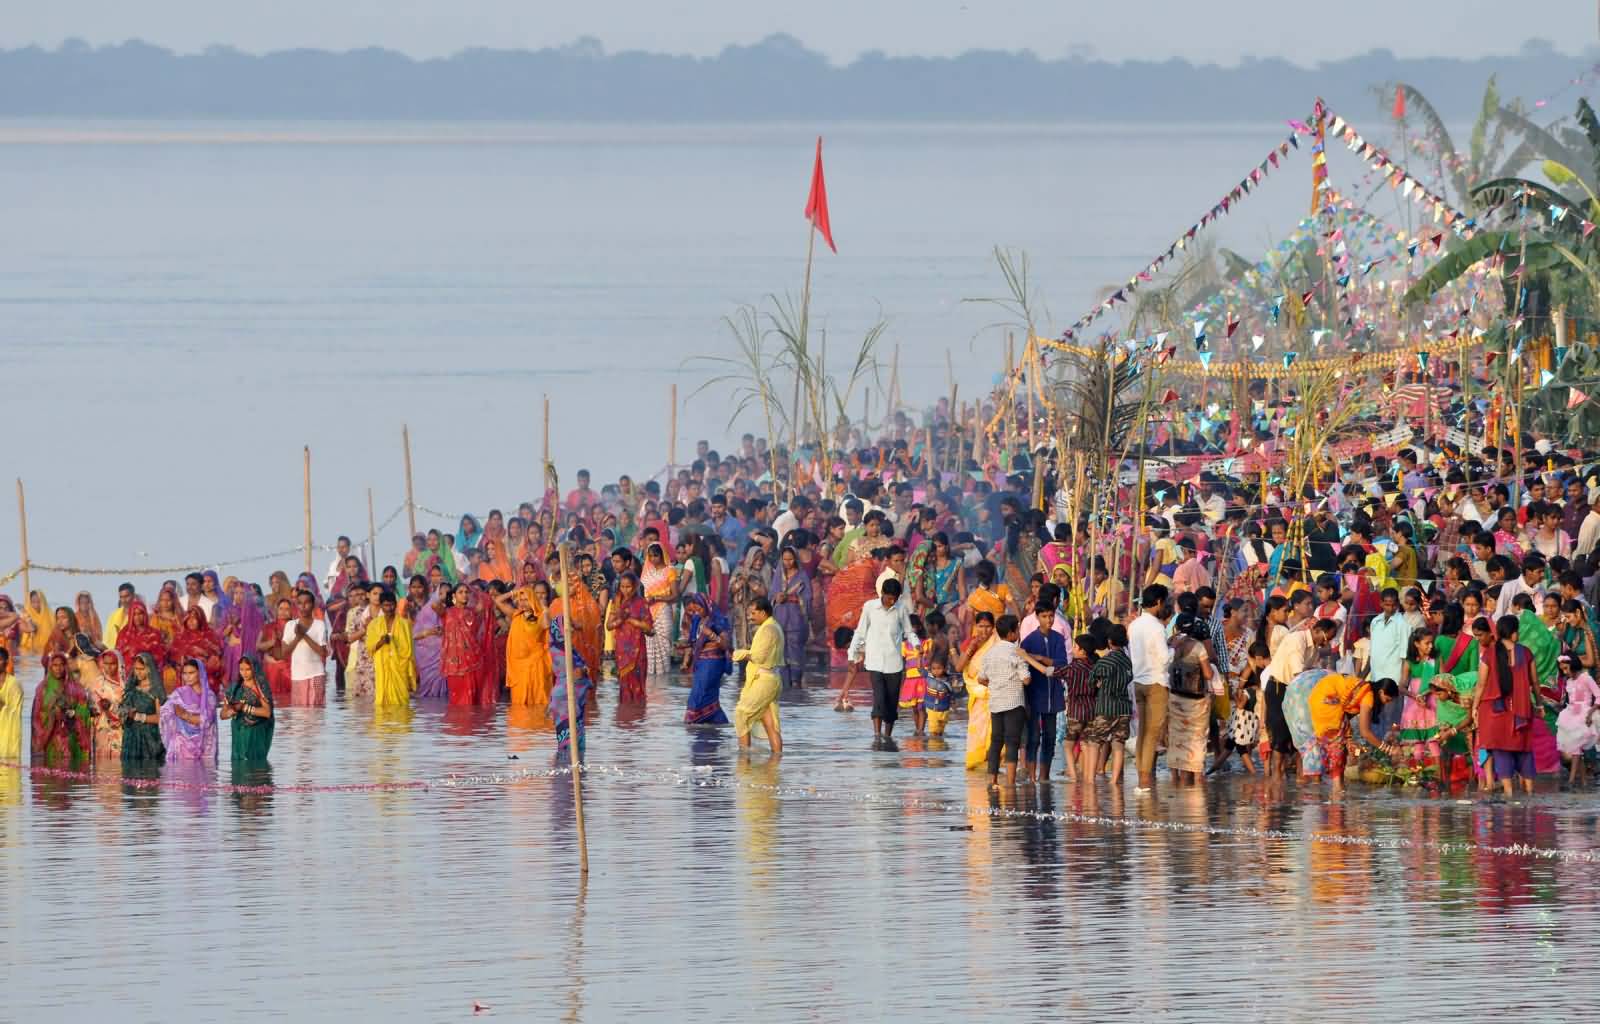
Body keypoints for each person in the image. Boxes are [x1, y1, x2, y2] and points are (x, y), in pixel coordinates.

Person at [978, 614, 1058, 789]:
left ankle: (992, 781)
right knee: (1012, 741)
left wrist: (997, 683)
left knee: (996, 741)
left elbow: (981, 679)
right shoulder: (1016, 652)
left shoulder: (989, 652)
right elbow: (1026, 679)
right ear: (1013, 633)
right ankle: (1010, 782)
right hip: (1014, 702)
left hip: (996, 702)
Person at [847, 577, 921, 748]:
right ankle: (877, 735)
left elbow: (909, 632)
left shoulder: (901, 608)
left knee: (892, 701)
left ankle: (888, 737)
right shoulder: (870, 607)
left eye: (895, 598)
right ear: (882, 594)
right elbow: (860, 632)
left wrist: (917, 644)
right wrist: (852, 654)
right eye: (889, 598)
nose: (892, 601)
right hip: (875, 662)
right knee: (879, 698)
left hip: (895, 663)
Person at [1474, 614, 1539, 795]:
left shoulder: (1489, 653)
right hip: (1521, 711)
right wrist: (1539, 706)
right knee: (1524, 751)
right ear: (1513, 633)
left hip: (1495, 712)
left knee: (1501, 751)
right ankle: (1529, 793)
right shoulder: (1525, 653)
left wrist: (1474, 707)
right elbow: (1535, 683)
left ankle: (1509, 794)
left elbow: (1481, 684)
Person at [1018, 601, 1070, 781]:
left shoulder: (1058, 638)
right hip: (1034, 694)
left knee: (1050, 737)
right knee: (1033, 737)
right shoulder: (1029, 640)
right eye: (1044, 616)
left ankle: (1044, 776)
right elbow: (1021, 662)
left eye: (1051, 616)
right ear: (1037, 617)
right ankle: (1032, 777)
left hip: (1053, 694)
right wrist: (1048, 662)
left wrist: (1040, 658)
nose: (1049, 620)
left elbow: (1062, 664)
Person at [1128, 584, 1172, 792]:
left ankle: (1142, 779)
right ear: (1159, 602)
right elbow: (1164, 659)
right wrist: (1175, 649)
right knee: (1151, 735)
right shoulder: (1156, 626)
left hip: (1139, 682)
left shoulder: (1134, 625)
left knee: (1143, 733)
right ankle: (1144, 782)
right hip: (1155, 683)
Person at [1167, 612, 1216, 785]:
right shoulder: (1198, 647)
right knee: (1197, 738)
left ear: (1177, 627)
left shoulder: (1170, 644)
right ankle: (1196, 777)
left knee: (1176, 738)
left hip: (1174, 698)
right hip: (1196, 701)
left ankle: (1175, 777)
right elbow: (1208, 674)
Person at [730, 597, 783, 754]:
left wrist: (739, 653)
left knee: (741, 715)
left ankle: (744, 756)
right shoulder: (772, 626)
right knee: (769, 722)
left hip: (764, 680)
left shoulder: (768, 629)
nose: (750, 617)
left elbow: (758, 657)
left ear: (763, 612)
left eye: (753, 613)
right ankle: (776, 758)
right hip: (770, 679)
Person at [31, 652, 91, 766]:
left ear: (66, 666)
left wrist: (72, 713)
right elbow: (36, 716)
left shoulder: (76, 688)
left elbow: (85, 711)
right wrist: (52, 715)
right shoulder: (42, 689)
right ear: (50, 666)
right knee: (50, 773)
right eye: (55, 665)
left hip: (70, 737)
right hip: (50, 739)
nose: (58, 668)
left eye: (61, 665)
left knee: (69, 772)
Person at [681, 593, 731, 724]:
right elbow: (694, 641)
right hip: (701, 664)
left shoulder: (717, 619)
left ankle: (692, 722)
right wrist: (685, 652)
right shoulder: (697, 619)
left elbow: (726, 644)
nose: (697, 612)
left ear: (706, 605)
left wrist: (712, 635)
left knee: (699, 696)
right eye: (695, 610)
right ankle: (719, 723)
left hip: (713, 664)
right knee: (708, 696)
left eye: (699, 609)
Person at [160, 659, 219, 763]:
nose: (187, 676)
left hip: (204, 745)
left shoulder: (209, 696)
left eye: (191, 673)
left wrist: (185, 715)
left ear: (200, 673)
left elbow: (207, 721)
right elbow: (164, 713)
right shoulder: (178, 694)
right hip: (181, 745)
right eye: (184, 673)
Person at [367, 587, 417, 708]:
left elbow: (409, 650)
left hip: (400, 668)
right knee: (382, 704)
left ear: (395, 605)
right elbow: (370, 647)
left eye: (391, 605)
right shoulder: (374, 624)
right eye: (385, 605)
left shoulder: (404, 624)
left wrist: (394, 647)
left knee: (402, 704)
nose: (388, 609)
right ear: (381, 606)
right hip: (382, 668)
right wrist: (381, 642)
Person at [221, 655, 274, 762]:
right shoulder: (234, 689)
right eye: (241, 669)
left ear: (254, 668)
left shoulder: (260, 687)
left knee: (255, 768)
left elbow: (267, 713)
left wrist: (244, 707)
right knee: (239, 768)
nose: (244, 673)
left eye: (248, 669)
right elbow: (222, 715)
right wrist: (231, 712)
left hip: (256, 734)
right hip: (239, 734)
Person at [607, 572, 651, 701]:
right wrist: (619, 621)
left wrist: (635, 622)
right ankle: (625, 714)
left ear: (635, 587)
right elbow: (609, 626)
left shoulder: (641, 603)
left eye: (628, 587)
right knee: (624, 684)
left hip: (638, 649)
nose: (625, 590)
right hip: (622, 650)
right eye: (622, 587)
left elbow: (649, 627)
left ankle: (638, 712)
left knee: (638, 682)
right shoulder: (616, 601)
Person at [771, 546, 811, 687]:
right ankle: (785, 683)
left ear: (796, 559)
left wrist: (792, 598)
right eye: (785, 559)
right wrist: (777, 597)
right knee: (781, 652)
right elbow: (771, 595)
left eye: (791, 559)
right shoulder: (778, 575)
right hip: (780, 619)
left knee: (795, 652)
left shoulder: (802, 576)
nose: (788, 562)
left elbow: (807, 598)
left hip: (796, 621)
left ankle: (796, 681)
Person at [118, 652, 166, 769]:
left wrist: (138, 717)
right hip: (131, 737)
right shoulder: (131, 688)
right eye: (136, 669)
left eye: (142, 669)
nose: (138, 672)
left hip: (149, 739)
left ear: (149, 669)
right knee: (130, 776)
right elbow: (122, 710)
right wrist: (124, 713)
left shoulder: (156, 690)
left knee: (149, 774)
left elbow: (161, 718)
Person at [283, 589, 330, 706]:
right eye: (299, 603)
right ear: (296, 605)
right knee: (300, 717)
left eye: (307, 603)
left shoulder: (319, 625)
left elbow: (323, 652)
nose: (303, 607)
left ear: (313, 605)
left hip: (316, 674)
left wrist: (304, 635)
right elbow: (284, 653)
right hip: (298, 676)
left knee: (317, 714)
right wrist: (298, 637)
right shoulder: (290, 625)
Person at [442, 584, 486, 705]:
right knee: (456, 700)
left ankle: (469, 722)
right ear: (454, 596)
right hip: (453, 663)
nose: (464, 594)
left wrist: (475, 590)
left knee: (470, 698)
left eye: (466, 592)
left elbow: (482, 605)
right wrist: (445, 595)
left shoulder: (471, 612)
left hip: (471, 660)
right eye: (460, 592)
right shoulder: (447, 612)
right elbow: (434, 605)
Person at [923, 646, 957, 738]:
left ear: (945, 668)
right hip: (932, 710)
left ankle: (940, 748)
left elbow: (952, 694)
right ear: (931, 669)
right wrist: (921, 656)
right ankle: (934, 748)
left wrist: (953, 704)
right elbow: (920, 669)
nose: (936, 671)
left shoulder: (948, 680)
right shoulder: (929, 677)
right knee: (933, 732)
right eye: (934, 668)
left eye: (939, 668)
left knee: (940, 732)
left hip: (944, 710)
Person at [0, 649, 20, 761]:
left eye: (0, 660)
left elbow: (13, 712)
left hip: (8, 742)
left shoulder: (14, 685)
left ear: (6, 662)